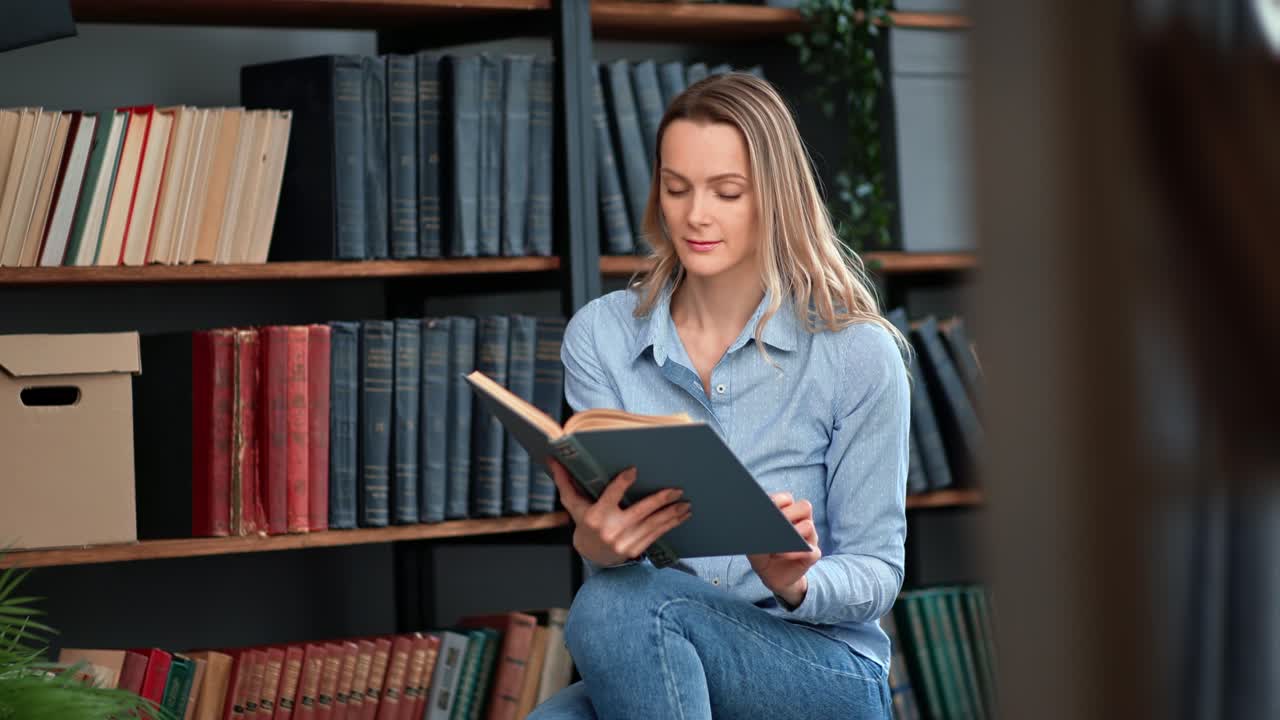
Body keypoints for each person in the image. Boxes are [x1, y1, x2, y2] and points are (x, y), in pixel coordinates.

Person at [529, 72, 910, 720]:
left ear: (774, 197)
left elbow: (878, 570)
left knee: (615, 606)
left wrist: (796, 581)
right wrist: (598, 548)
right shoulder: (601, 336)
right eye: (677, 189)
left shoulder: (856, 354)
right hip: (660, 648)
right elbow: (631, 599)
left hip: (820, 668)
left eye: (726, 192)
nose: (695, 215)